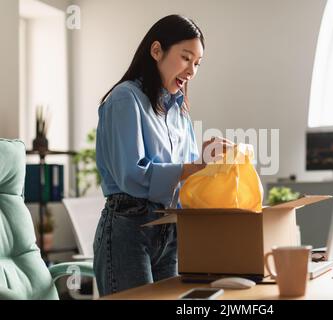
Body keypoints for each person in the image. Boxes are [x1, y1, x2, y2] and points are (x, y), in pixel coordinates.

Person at [93, 14, 232, 296]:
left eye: (197, 63)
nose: (192, 70)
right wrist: (193, 166)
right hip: (129, 230)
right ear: (156, 51)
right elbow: (133, 175)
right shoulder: (125, 98)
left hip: (170, 231)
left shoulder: (180, 113)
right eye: (185, 58)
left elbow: (188, 181)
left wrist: (208, 163)